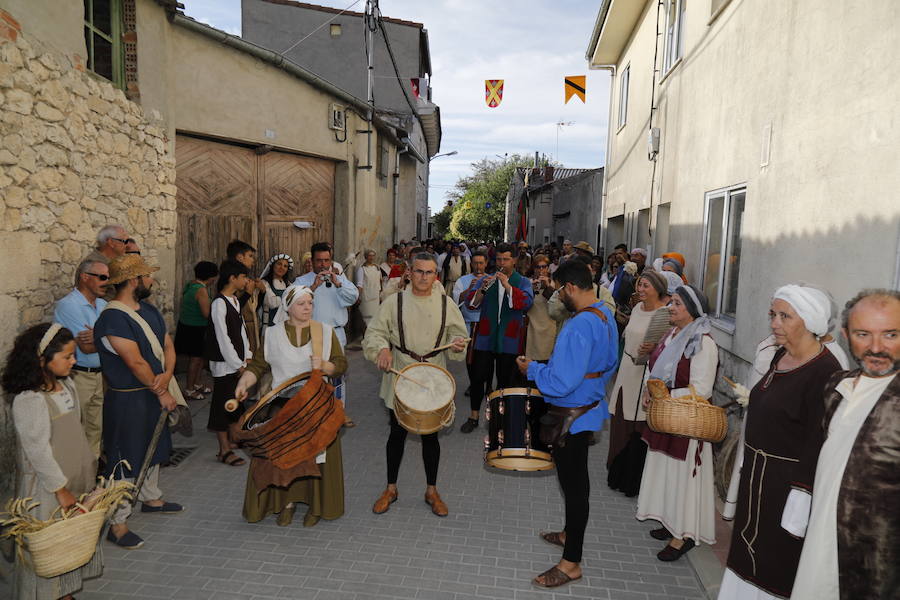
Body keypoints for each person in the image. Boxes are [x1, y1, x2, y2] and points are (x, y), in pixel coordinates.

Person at [717, 285, 844, 599]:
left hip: (786, 490)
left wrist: (800, 502)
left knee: (776, 565)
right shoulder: (780, 354)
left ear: (811, 322)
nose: (774, 323)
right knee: (747, 555)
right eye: (773, 314)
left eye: (785, 316)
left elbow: (819, 444)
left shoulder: (826, 372)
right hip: (757, 481)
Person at [791, 289, 900, 600]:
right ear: (845, 335)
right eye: (863, 334)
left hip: (876, 570)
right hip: (820, 551)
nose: (876, 347)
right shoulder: (836, 386)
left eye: (891, 334)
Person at [515, 260, 618, 588]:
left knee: (575, 489)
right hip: (589, 407)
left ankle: (571, 562)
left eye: (560, 289)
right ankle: (569, 533)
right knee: (577, 484)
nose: (558, 295)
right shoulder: (605, 314)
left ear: (572, 287)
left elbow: (560, 384)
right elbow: (610, 361)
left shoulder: (578, 325)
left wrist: (533, 370)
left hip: (571, 415)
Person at [233, 284, 348, 527]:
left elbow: (341, 364)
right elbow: (258, 366)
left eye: (310, 303)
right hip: (282, 408)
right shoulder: (272, 334)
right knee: (284, 459)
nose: (308, 308)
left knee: (317, 459)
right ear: (288, 306)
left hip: (316, 407)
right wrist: (245, 382)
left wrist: (325, 366)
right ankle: (286, 504)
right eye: (302, 304)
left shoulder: (325, 332)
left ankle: (316, 507)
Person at [363, 253, 468, 517]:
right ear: (409, 272)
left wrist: (456, 342)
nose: (424, 277)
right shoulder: (393, 302)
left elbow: (459, 333)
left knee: (431, 436)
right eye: (419, 271)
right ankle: (391, 488)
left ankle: (431, 490)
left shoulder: (446, 303)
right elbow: (375, 333)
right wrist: (382, 351)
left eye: (429, 272)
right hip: (401, 371)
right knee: (396, 433)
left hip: (434, 374)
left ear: (436, 275)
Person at [2, 323, 101, 600]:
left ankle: (64, 593)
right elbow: (38, 452)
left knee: (67, 547)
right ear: (42, 360)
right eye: (68, 356)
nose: (74, 360)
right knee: (48, 549)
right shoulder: (30, 400)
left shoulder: (67, 385)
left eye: (74, 355)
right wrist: (61, 489)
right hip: (48, 491)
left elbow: (75, 429)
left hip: (74, 480)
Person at [93, 254, 184, 550]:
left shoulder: (149, 309)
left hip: (154, 391)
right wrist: (162, 391)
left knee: (155, 446)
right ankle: (117, 523)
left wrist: (168, 374)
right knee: (125, 457)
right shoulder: (112, 318)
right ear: (134, 281)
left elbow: (167, 344)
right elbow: (134, 361)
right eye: (147, 276)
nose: (151, 281)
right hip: (128, 399)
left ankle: (150, 498)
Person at [636, 285, 718, 561]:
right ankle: (669, 520)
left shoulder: (702, 343)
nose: (671, 307)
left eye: (677, 304)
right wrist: (651, 390)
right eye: (671, 302)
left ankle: (682, 535)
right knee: (665, 472)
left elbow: (702, 389)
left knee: (683, 479)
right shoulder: (673, 334)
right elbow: (657, 369)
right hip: (667, 415)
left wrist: (666, 395)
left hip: (686, 422)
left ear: (692, 310)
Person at [459, 243, 534, 433]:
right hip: (485, 337)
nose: (502, 263)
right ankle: (473, 416)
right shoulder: (485, 279)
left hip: (509, 340)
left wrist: (507, 285)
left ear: (515, 260)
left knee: (506, 381)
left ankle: (500, 418)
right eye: (499, 259)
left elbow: (526, 302)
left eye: (506, 259)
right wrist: (481, 290)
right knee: (477, 378)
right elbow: (471, 305)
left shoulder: (523, 281)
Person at [607, 271, 670, 474]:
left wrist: (653, 349)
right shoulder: (636, 308)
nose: (641, 289)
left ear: (658, 289)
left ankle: (631, 473)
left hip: (645, 373)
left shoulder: (664, 315)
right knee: (619, 418)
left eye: (646, 286)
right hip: (626, 368)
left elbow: (668, 349)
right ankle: (616, 466)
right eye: (640, 285)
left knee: (638, 422)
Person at [294, 242, 359, 427]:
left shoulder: (340, 279)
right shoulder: (302, 281)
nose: (323, 265)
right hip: (310, 334)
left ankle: (338, 412)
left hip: (336, 334)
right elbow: (291, 305)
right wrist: (312, 288)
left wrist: (338, 284)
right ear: (312, 261)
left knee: (337, 375)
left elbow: (353, 298)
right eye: (319, 261)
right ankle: (313, 415)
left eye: (327, 260)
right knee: (313, 376)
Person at [53, 259, 109, 457]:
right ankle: (77, 482)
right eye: (102, 277)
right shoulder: (69, 306)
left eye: (108, 278)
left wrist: (99, 337)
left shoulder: (103, 305)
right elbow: (86, 347)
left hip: (100, 377)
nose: (107, 282)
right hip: (79, 377)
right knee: (76, 432)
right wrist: (107, 338)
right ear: (85, 277)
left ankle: (90, 479)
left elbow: (117, 339)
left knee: (95, 431)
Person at [204, 259, 251, 466]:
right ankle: (223, 450)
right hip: (224, 365)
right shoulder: (219, 303)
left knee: (236, 403)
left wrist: (247, 354)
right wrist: (237, 364)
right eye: (244, 277)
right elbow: (223, 337)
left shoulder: (233, 300)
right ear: (232, 278)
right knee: (222, 407)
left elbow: (241, 332)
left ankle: (235, 439)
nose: (246, 281)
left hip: (237, 362)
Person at [174, 261, 217, 401]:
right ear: (211, 277)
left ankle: (197, 383)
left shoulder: (190, 285)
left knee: (199, 358)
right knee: (195, 359)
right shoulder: (201, 290)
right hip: (196, 328)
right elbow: (206, 313)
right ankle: (189, 389)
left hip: (186, 326)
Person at [452, 251, 490, 398]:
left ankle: (488, 385)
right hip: (468, 324)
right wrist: (470, 289)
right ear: (471, 264)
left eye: (481, 263)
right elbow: (457, 300)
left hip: (486, 324)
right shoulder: (463, 280)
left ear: (486, 263)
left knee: (487, 356)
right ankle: (473, 383)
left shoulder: (491, 279)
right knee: (470, 357)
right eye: (475, 263)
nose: (478, 266)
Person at [226, 240, 264, 355]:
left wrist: (262, 292)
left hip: (251, 328)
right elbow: (232, 308)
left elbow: (254, 307)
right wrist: (248, 293)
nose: (253, 260)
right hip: (237, 328)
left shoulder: (247, 277)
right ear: (240, 257)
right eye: (250, 256)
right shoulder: (230, 278)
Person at [525, 254, 558, 363]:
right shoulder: (527, 283)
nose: (541, 270)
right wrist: (532, 291)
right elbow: (524, 306)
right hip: (533, 330)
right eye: (538, 267)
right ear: (533, 268)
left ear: (548, 268)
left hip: (550, 329)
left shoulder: (555, 284)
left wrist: (548, 287)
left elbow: (557, 306)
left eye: (544, 267)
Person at [259, 253, 294, 331]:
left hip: (285, 326)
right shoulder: (264, 283)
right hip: (269, 325)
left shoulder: (289, 284)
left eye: (285, 266)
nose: (282, 268)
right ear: (273, 265)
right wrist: (288, 299)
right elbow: (272, 303)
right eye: (279, 264)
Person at [355, 249, 382, 327]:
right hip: (366, 298)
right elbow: (360, 284)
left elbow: (380, 282)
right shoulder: (362, 269)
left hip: (375, 298)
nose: (371, 257)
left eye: (373, 255)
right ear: (366, 257)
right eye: (370, 255)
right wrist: (357, 296)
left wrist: (380, 295)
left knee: (375, 321)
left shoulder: (377, 268)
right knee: (366, 321)